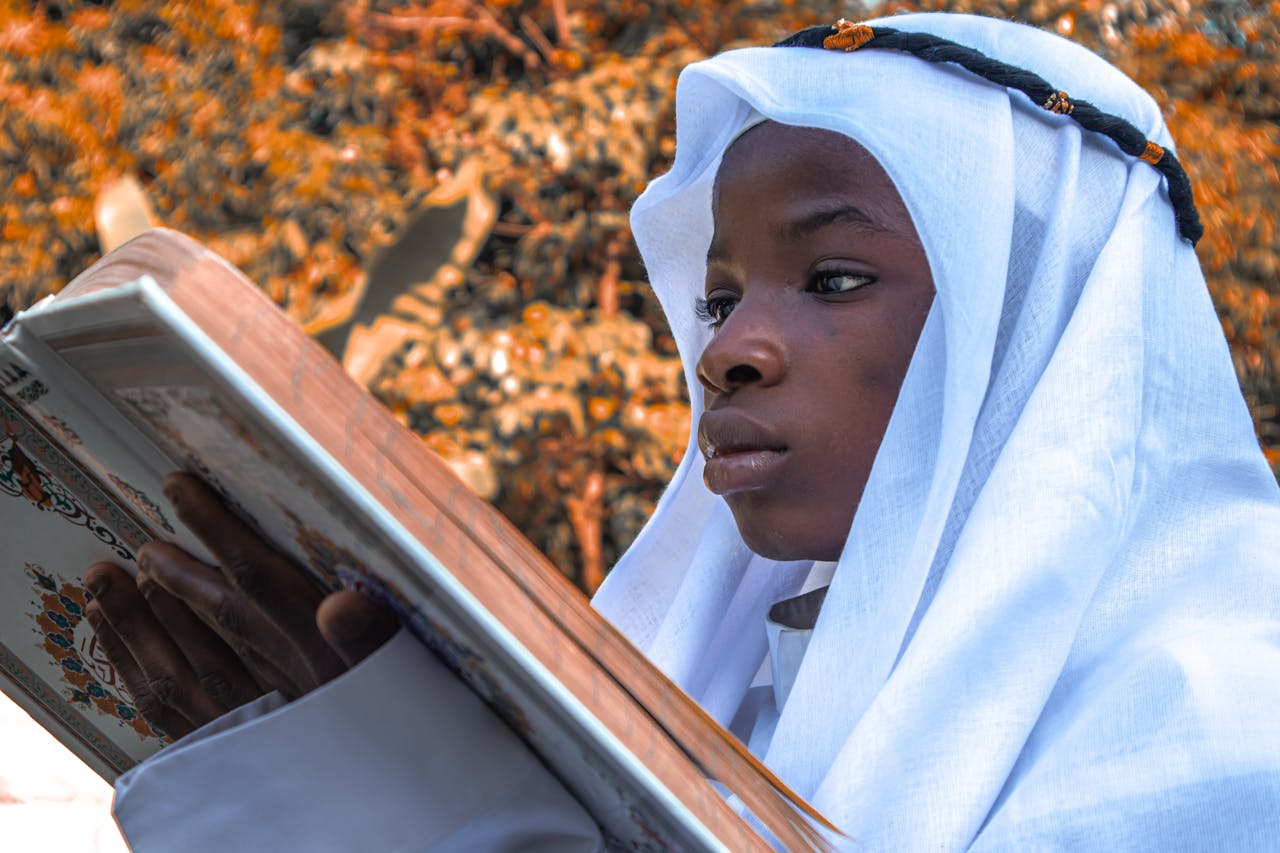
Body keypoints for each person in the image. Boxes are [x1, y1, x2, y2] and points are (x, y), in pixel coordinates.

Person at [83, 12, 1280, 851]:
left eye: (832, 278)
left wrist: (407, 799)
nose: (725, 350)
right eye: (717, 296)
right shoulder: (735, 704)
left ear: (1036, 329)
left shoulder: (1221, 729)